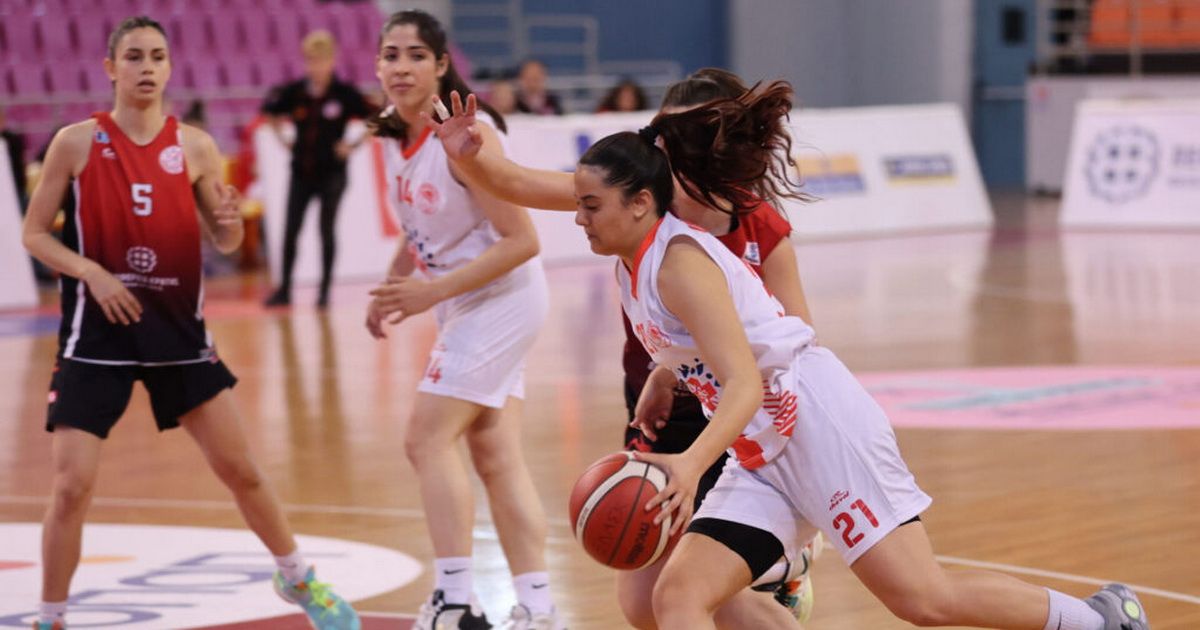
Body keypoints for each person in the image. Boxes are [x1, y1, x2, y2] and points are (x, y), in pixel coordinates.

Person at [430, 85, 1154, 630]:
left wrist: (689, 464)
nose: (577, 217)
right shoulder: (632, 241)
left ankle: (1099, 618)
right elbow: (522, 184)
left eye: (588, 207)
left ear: (641, 202)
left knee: (923, 600)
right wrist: (471, 156)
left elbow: (746, 380)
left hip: (816, 424)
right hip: (761, 447)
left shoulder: (679, 261)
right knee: (677, 597)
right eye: (579, 204)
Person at [424, 68, 819, 629]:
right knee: (641, 600)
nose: (664, 148)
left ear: (720, 141)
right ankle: (773, 579)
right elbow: (518, 183)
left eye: (678, 137)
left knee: (695, 594)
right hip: (665, 418)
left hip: (741, 422)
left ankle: (778, 572)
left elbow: (800, 347)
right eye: (661, 135)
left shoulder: (760, 228)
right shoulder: (639, 196)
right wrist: (469, 157)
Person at [20, 16, 360, 630]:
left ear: (170, 67)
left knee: (242, 471)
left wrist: (227, 224)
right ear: (111, 68)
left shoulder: (197, 147)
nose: (146, 67)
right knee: (72, 487)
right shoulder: (75, 142)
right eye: (133, 57)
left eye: (157, 56)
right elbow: (35, 233)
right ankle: (50, 618)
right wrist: (92, 272)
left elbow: (223, 240)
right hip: (95, 337)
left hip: (177, 335)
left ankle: (298, 578)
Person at [363, 11, 561, 630]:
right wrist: (394, 284)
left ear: (442, 65)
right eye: (390, 54)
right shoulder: (396, 132)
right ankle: (539, 608)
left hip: (501, 297)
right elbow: (418, 225)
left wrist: (430, 292)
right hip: (465, 298)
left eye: (415, 55)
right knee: (496, 456)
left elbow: (523, 240)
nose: (401, 67)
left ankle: (454, 602)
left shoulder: (467, 137)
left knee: (425, 439)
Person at [263, 29, 371, 307]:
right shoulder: (296, 92)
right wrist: (282, 139)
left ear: (332, 60)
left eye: (321, 60)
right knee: (291, 230)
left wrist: (353, 145)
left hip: (332, 173)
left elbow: (376, 118)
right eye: (311, 60)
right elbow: (270, 111)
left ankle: (324, 292)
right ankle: (284, 289)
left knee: (326, 230)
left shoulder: (344, 94)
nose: (316, 66)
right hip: (301, 171)